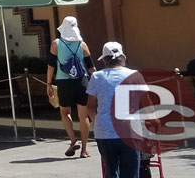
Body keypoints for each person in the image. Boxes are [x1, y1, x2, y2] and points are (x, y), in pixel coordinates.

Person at [86, 41, 141, 178]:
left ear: (105, 60)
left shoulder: (97, 76)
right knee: (131, 172)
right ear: (124, 58)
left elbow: (90, 106)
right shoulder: (135, 75)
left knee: (111, 170)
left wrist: (95, 120)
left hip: (104, 131)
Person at [45, 16, 94, 158]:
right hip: (82, 81)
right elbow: (91, 68)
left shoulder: (56, 44)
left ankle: (73, 140)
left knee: (65, 112)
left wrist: (48, 84)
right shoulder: (82, 44)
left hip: (64, 82)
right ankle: (84, 149)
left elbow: (50, 66)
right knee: (83, 115)